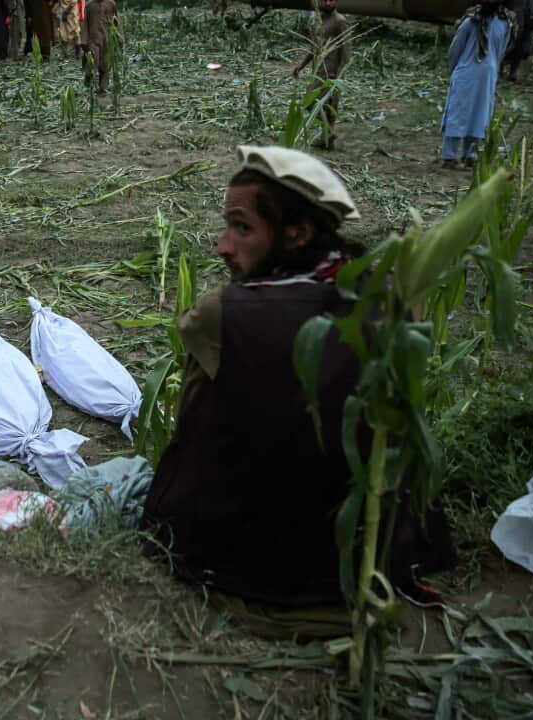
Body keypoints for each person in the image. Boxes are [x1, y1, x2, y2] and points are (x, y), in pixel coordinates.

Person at [140, 146, 455, 639]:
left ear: (297, 233)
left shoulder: (225, 312)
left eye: (241, 228)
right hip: (368, 571)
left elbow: (192, 433)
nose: (222, 246)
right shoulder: (394, 301)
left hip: (246, 574)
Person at [439, 0, 513, 169]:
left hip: (482, 76)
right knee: (465, 114)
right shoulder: (471, 23)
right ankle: (451, 156)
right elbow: (456, 50)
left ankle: (468, 155)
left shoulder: (504, 24)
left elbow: (499, 51)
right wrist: (458, 71)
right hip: (472, 75)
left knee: (476, 115)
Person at [291, 0, 351, 151]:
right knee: (320, 104)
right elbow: (315, 47)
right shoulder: (321, 19)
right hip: (318, 70)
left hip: (331, 72)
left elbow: (346, 52)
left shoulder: (340, 21)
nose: (329, 3)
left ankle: (328, 133)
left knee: (315, 102)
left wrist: (339, 75)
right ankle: (327, 136)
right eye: (326, 0)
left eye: (332, 0)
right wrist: (301, 65)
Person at [83, 0, 122, 92]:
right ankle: (89, 75)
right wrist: (84, 40)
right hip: (93, 39)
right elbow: (85, 24)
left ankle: (103, 86)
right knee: (93, 59)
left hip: (107, 38)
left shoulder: (111, 4)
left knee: (105, 63)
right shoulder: (89, 5)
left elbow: (116, 21)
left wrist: (119, 37)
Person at [504, 0, 533, 81]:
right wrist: (520, 23)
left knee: (520, 46)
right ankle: (508, 69)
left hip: (526, 18)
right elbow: (519, 6)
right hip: (519, 19)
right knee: (515, 45)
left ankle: (512, 71)